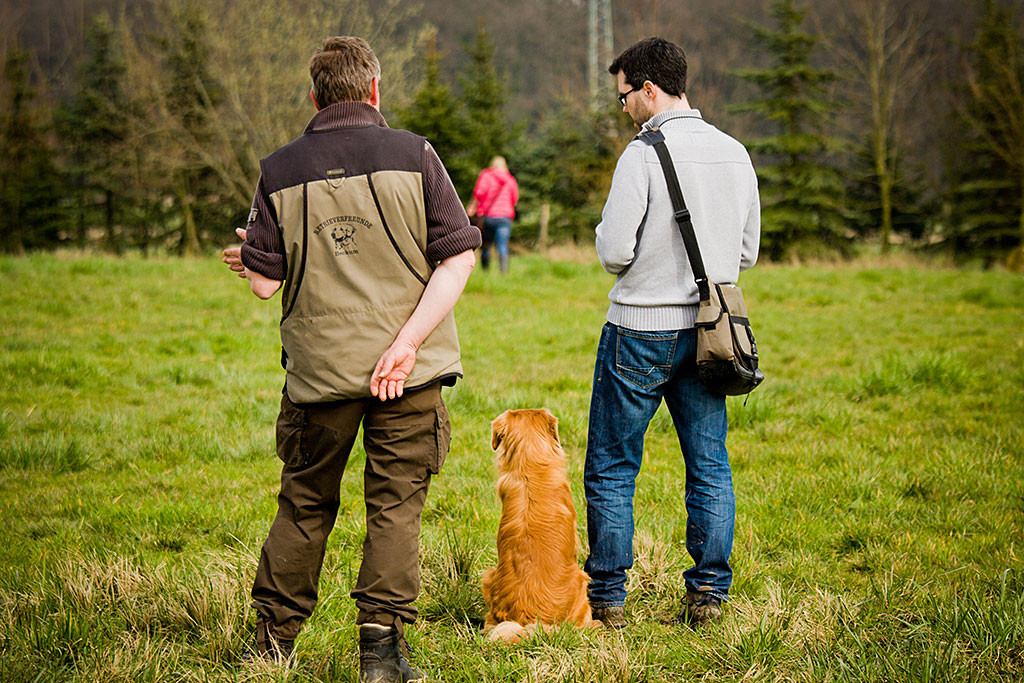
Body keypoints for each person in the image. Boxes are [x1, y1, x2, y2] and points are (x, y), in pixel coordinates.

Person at [221, 36, 479, 682]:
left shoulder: (278, 170)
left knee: (305, 502)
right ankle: (382, 656)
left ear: (314, 97)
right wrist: (407, 342)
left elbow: (263, 283)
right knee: (396, 505)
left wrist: (249, 255)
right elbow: (459, 255)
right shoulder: (416, 154)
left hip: (320, 377)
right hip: (410, 374)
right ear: (374, 91)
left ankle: (270, 644)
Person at [583, 37, 760, 630]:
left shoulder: (641, 155)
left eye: (625, 95)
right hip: (711, 335)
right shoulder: (735, 152)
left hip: (639, 330)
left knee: (612, 464)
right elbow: (748, 250)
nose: (624, 107)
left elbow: (613, 251)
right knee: (709, 462)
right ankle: (707, 595)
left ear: (650, 89)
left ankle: (606, 599)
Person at [469, 156, 519, 273]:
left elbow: (478, 193)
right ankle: (504, 273)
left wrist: (473, 207)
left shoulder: (486, 176)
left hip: (489, 216)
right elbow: (515, 199)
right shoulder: (510, 179)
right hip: (505, 218)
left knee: (486, 245)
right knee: (502, 245)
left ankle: (485, 271)